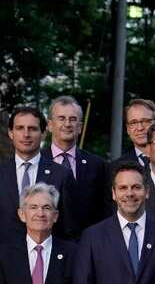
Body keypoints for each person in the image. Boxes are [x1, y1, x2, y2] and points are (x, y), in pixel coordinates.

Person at [0, 106, 75, 248]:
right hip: (3, 264)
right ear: (11, 133)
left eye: (33, 129)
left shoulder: (61, 175)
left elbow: (69, 230)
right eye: (20, 128)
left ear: (43, 133)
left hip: (49, 262)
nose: (26, 134)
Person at [44, 96, 109, 231]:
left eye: (73, 119)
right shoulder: (36, 162)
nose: (67, 124)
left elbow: (105, 212)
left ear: (79, 127)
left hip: (87, 245)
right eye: (61, 118)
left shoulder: (98, 166)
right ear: (50, 125)